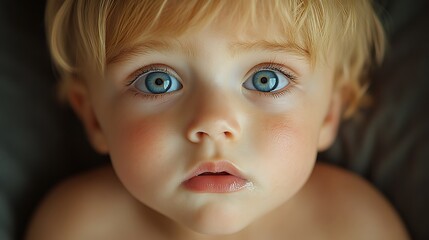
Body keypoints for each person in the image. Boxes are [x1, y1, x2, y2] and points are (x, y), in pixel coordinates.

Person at [26, 0, 410, 239]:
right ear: (94, 117)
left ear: (329, 112)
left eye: (266, 79)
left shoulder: (356, 225)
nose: (212, 122)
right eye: (158, 81)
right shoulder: (75, 228)